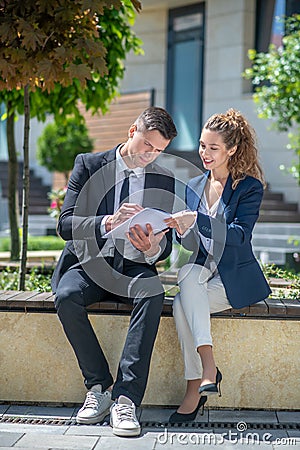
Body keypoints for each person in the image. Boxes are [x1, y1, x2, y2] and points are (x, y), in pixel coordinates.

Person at [51, 107, 177, 436]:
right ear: (132, 130)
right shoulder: (89, 165)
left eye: (159, 150)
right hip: (89, 265)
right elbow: (65, 225)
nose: (151, 155)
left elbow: (168, 244)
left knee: (154, 292)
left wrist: (153, 248)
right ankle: (99, 387)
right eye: (147, 145)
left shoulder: (164, 179)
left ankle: (126, 399)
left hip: (133, 267)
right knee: (66, 296)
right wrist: (108, 221)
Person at [164, 108, 271, 423]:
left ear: (232, 150)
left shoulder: (249, 187)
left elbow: (239, 236)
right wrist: (181, 230)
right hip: (201, 273)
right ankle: (207, 370)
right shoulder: (193, 184)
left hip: (233, 279)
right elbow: (190, 246)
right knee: (187, 273)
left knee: (182, 304)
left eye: (213, 148)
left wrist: (197, 219)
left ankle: (196, 381)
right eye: (201, 145)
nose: (204, 153)